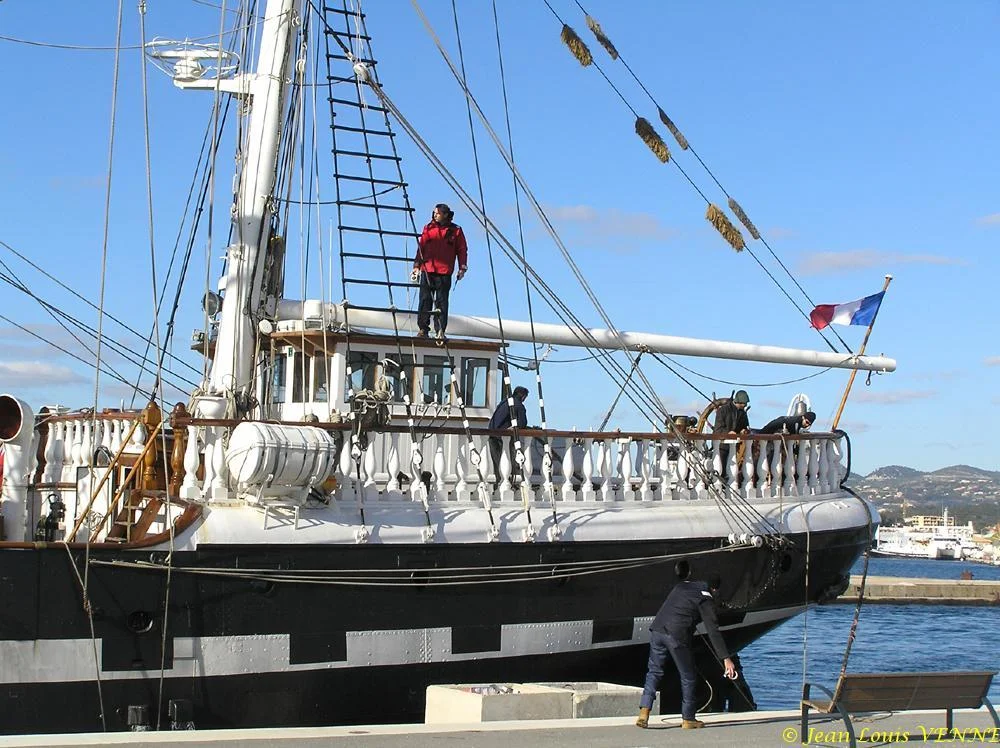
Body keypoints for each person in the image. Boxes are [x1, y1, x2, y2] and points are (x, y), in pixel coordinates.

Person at [636, 561, 736, 730]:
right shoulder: (706, 598)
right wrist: (726, 659)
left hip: (657, 630)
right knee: (688, 676)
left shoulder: (683, 586)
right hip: (676, 637)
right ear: (715, 589)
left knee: (654, 671)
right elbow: (713, 631)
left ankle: (644, 713)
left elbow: (678, 608)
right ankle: (688, 719)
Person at [412, 203, 468, 342]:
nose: (435, 215)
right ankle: (423, 329)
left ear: (445, 214)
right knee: (425, 299)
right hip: (427, 269)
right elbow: (421, 247)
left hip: (444, 271)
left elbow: (462, 249)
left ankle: (440, 330)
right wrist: (416, 265)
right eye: (434, 213)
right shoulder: (428, 228)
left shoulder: (456, 231)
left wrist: (462, 267)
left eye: (437, 213)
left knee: (441, 302)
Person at [488, 386, 529, 486]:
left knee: (498, 464)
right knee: (508, 463)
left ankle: (499, 485)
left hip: (493, 436)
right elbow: (522, 423)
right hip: (503, 439)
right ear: (523, 396)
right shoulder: (518, 405)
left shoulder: (504, 402)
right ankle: (508, 486)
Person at [713, 390, 750, 481]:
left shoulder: (743, 413)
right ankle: (720, 485)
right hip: (722, 446)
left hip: (735, 446)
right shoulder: (723, 410)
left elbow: (745, 427)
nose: (744, 406)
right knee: (721, 468)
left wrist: (744, 430)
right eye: (743, 404)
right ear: (738, 402)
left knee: (731, 469)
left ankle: (728, 485)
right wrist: (728, 433)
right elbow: (718, 429)